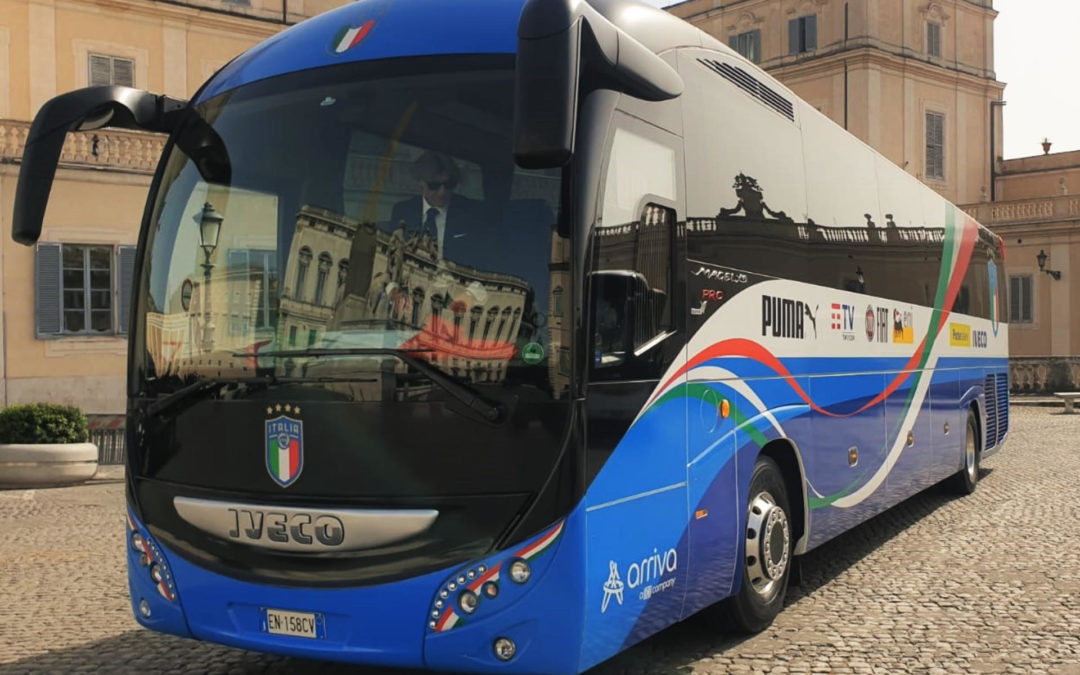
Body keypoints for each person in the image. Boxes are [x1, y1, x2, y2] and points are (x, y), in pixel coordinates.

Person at [389, 151, 484, 263]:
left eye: (448, 185)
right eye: (434, 185)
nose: (442, 192)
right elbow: (393, 254)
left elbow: (478, 259)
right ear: (420, 183)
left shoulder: (471, 212)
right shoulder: (403, 211)